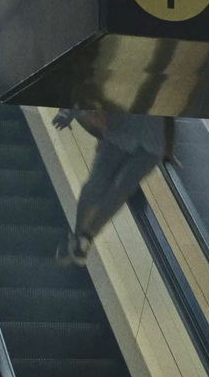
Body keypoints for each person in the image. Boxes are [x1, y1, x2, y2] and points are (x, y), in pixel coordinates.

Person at [54, 107, 173, 264]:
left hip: (149, 145)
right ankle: (81, 237)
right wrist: (69, 113)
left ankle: (85, 237)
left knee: (119, 189)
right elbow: (81, 92)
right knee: (96, 185)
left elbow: (171, 110)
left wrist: (168, 146)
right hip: (118, 135)